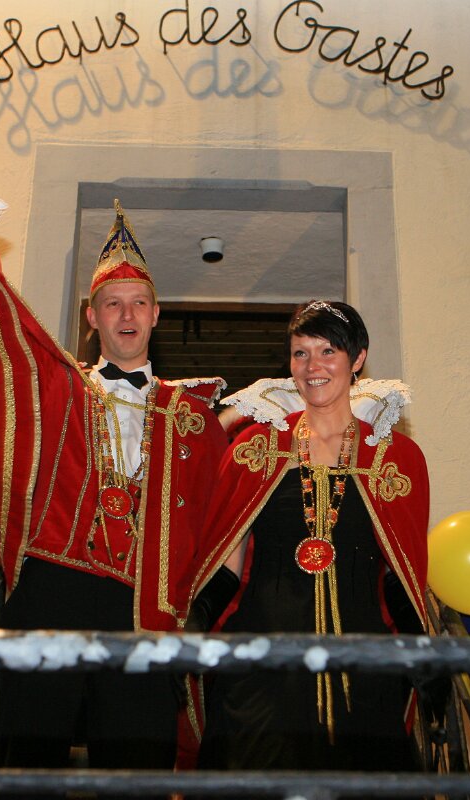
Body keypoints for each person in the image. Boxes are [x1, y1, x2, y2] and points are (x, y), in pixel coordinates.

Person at [0, 139, 228, 785]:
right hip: (52, 590)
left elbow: (225, 514)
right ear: (92, 318)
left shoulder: (191, 416)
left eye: (138, 302)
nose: (127, 314)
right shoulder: (59, 387)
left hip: (141, 608)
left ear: (156, 315)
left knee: (138, 770)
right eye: (112, 303)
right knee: (27, 767)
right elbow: (3, 339)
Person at [185, 299, 430, 775]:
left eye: (327, 351)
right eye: (301, 353)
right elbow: (226, 563)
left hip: (364, 673)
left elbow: (399, 572)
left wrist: (426, 650)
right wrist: (193, 626)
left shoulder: (395, 458)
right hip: (262, 671)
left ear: (358, 358)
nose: (313, 366)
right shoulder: (255, 449)